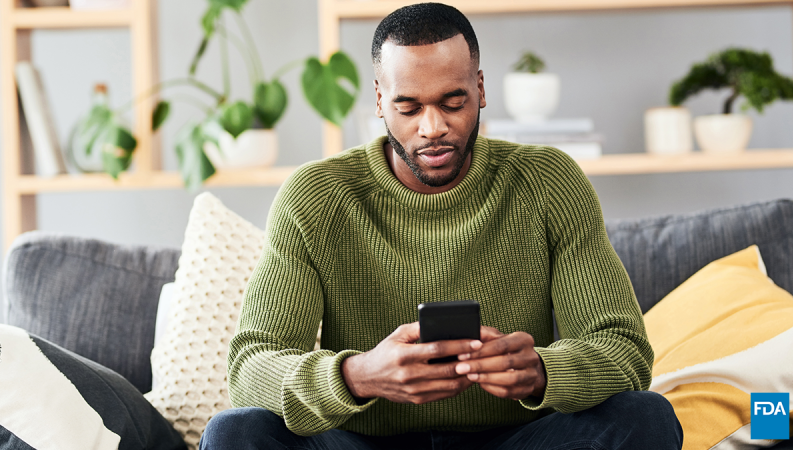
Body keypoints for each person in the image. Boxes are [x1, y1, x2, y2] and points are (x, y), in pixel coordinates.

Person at [200, 3, 683, 449]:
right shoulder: (317, 196)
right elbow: (250, 367)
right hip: (363, 443)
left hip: (516, 439)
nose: (432, 127)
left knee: (646, 416)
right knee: (235, 431)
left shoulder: (547, 182)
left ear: (481, 89)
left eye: (453, 102)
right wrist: (358, 375)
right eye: (408, 108)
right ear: (379, 100)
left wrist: (541, 371)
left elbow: (624, 351)